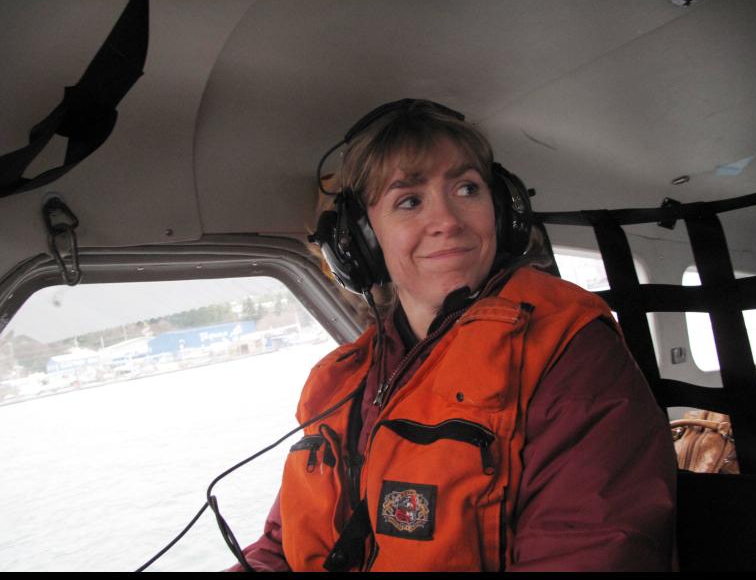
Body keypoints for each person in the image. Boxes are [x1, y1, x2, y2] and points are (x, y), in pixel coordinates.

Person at [229, 99, 677, 572]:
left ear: (502, 211)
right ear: (361, 240)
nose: (447, 220)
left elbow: (588, 551)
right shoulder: (338, 383)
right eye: (409, 200)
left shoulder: (567, 351)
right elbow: (280, 547)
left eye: (467, 189)